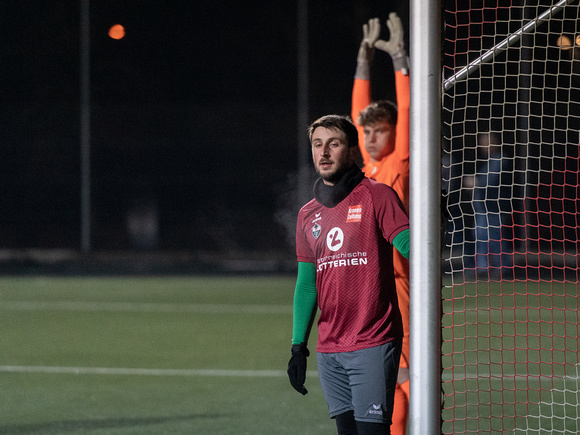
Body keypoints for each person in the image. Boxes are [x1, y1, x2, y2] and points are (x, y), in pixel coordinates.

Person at [287, 114, 410, 435]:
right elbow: (306, 285)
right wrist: (298, 346)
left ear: (353, 151)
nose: (323, 152)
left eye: (334, 144)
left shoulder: (377, 195)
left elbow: (412, 248)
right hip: (330, 350)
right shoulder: (306, 214)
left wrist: (431, 228)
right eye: (317, 145)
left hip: (372, 340)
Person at [351, 13, 411, 435]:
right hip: (363, 285)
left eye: (380, 131)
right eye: (367, 131)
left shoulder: (398, 163)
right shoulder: (363, 168)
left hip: (400, 280)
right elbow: (357, 113)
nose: (371, 137)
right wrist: (363, 61)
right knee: (374, 389)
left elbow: (406, 109)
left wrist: (400, 60)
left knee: (403, 391)